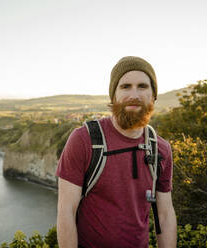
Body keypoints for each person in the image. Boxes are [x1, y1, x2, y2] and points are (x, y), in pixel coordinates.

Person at [56, 56, 177, 248]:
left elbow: (165, 216)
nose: (134, 94)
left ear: (154, 94)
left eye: (143, 86)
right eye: (125, 86)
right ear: (113, 95)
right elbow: (66, 212)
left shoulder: (161, 148)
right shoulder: (84, 140)